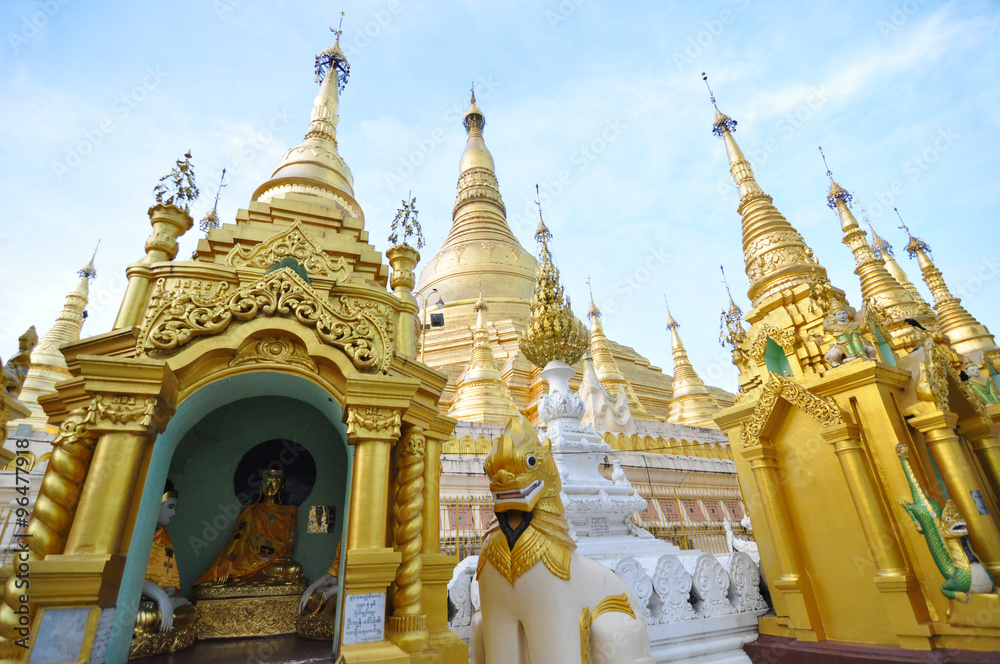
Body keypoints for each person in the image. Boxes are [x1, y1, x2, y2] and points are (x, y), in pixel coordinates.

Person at [194, 468, 302, 588]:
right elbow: (238, 540)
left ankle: (247, 575)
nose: (270, 485)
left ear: (282, 487)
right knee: (238, 570)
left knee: (294, 569)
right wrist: (227, 567)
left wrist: (271, 555)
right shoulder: (251, 510)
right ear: (261, 485)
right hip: (249, 561)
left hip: (274, 563)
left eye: (275, 481)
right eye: (267, 481)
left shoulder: (289, 511)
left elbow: (288, 545)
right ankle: (240, 574)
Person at [138, 480, 193, 633]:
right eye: (170, 507)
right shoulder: (138, 534)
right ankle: (166, 603)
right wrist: (161, 597)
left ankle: (168, 603)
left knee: (188, 613)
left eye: (175, 508)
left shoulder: (164, 537)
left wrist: (167, 590)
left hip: (156, 598)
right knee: (144, 616)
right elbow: (134, 578)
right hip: (138, 602)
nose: (173, 514)